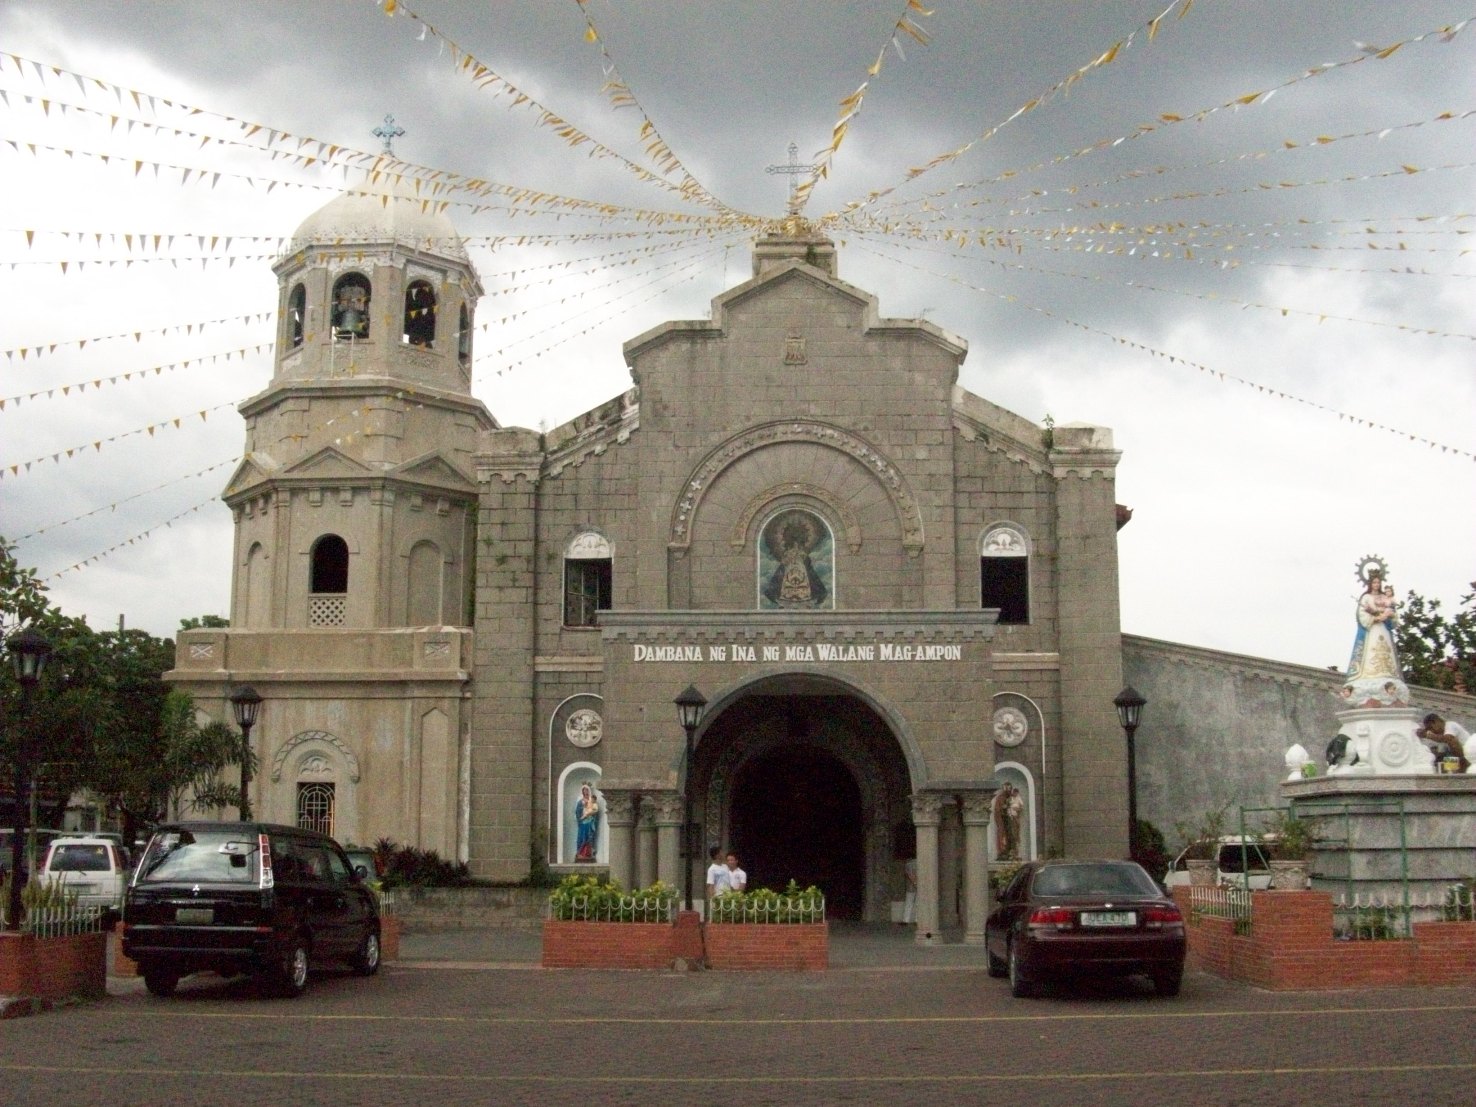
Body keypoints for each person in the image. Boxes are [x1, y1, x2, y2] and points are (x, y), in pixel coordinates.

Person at [573, 784, 600, 862]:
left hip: (590, 821)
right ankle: (580, 853)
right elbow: (577, 812)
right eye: (584, 790)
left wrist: (590, 813)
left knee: (589, 837)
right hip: (583, 822)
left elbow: (595, 811)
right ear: (582, 791)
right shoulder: (580, 801)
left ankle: (588, 853)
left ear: (589, 791)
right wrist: (581, 816)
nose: (586, 791)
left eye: (587, 790)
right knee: (582, 837)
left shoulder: (592, 801)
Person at [900, 857, 917, 925]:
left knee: (909, 903)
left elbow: (910, 874)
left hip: (911, 886)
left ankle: (906, 920)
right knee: (918, 903)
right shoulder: (920, 862)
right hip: (920, 885)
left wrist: (915, 883)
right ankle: (917, 920)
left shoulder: (909, 864)